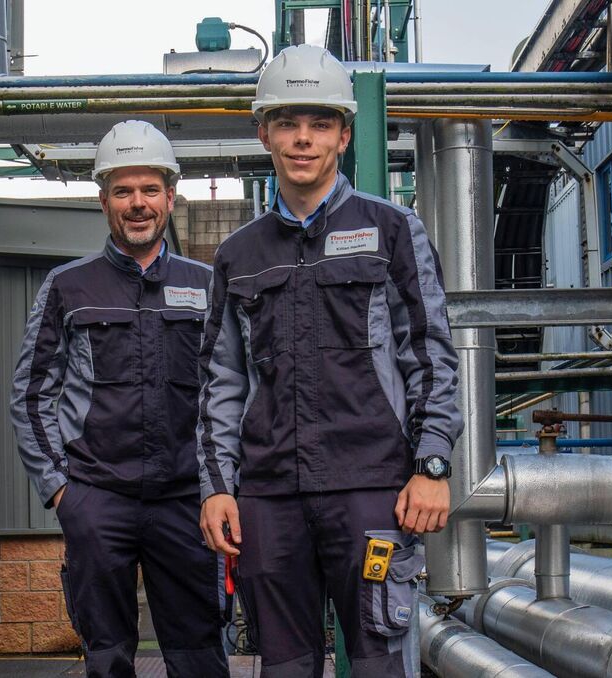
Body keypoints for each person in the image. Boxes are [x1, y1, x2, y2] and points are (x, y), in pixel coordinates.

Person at [196, 44, 463, 677]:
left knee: (379, 665)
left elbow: (430, 354)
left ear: (343, 135)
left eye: (320, 124)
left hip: (372, 490)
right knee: (284, 667)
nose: (303, 139)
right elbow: (220, 383)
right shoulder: (238, 255)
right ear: (264, 134)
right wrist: (217, 489)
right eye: (287, 123)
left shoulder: (391, 230)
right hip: (269, 498)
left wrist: (432, 464)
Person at [10, 120, 229, 678]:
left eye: (150, 189)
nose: (138, 203)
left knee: (200, 655)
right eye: (123, 190)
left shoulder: (207, 287)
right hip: (98, 499)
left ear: (170, 197)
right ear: (103, 200)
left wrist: (222, 487)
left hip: (186, 501)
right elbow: (31, 395)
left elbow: (230, 393)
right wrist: (61, 490)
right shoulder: (68, 286)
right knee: (106, 655)